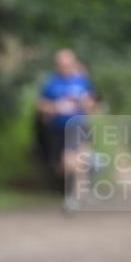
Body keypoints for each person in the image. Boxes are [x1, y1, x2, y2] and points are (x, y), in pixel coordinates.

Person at [37, 49, 95, 205]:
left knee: (76, 159)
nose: (65, 66)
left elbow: (91, 102)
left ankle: (74, 196)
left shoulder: (82, 81)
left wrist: (86, 104)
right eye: (61, 63)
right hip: (57, 129)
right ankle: (82, 186)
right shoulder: (51, 83)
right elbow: (41, 105)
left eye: (67, 63)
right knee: (63, 166)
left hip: (78, 126)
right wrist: (56, 107)